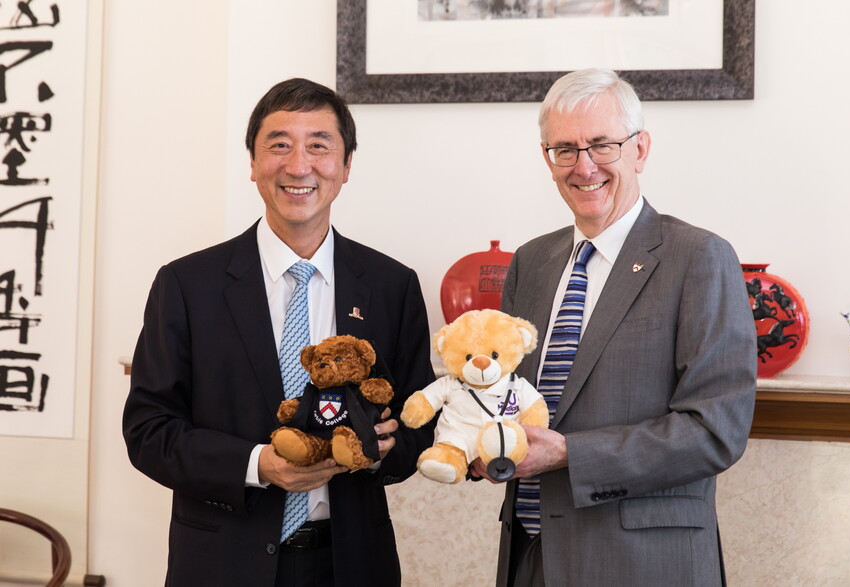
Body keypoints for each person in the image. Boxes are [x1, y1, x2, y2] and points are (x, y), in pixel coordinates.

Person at [122, 78, 435, 587]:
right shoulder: (186, 284)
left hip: (352, 562)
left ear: (346, 166)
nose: (298, 165)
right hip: (222, 564)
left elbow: (419, 423)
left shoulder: (391, 285)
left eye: (319, 145)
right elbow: (148, 431)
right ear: (252, 163)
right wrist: (257, 465)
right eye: (279, 145)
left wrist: (376, 450)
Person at [470, 68, 757, 586]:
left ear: (640, 150)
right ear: (547, 159)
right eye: (565, 149)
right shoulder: (530, 263)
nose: (584, 167)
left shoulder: (700, 258)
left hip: (643, 565)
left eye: (602, 145)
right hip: (531, 554)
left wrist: (570, 454)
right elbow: (508, 397)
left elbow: (716, 431)